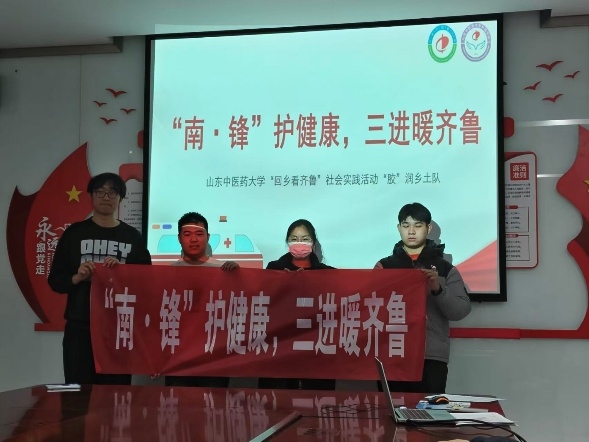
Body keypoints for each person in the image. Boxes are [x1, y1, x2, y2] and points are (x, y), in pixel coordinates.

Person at [48, 173, 152, 385]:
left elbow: (145, 283)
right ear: (91, 196)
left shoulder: (132, 237)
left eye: (112, 192)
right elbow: (56, 280)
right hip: (80, 325)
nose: (106, 197)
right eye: (100, 192)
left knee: (115, 394)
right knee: (78, 391)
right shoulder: (74, 234)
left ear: (121, 198)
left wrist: (122, 273)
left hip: (118, 326)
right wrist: (77, 277)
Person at [374, 202, 471, 394]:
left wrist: (438, 289)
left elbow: (460, 310)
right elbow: (370, 307)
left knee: (429, 410)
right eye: (406, 225)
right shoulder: (384, 267)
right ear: (398, 228)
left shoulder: (445, 268)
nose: (411, 231)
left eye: (417, 225)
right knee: (391, 409)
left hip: (431, 356)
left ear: (428, 228)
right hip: (392, 353)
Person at [164, 212, 238, 388]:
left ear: (208, 237)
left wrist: (239, 276)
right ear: (179, 238)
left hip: (215, 355)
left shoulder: (224, 270)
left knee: (214, 403)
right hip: (178, 356)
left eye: (199, 234)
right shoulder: (167, 273)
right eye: (187, 234)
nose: (194, 239)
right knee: (179, 402)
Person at [259, 219, 336, 390]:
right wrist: (281, 283)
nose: (299, 243)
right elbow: (260, 300)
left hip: (315, 350)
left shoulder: (327, 273)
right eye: (294, 239)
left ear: (313, 243)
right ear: (287, 242)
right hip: (280, 348)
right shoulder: (274, 268)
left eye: (305, 239)